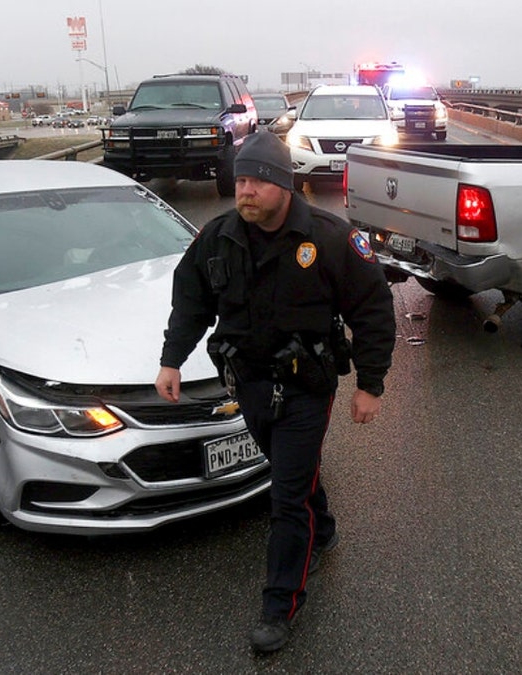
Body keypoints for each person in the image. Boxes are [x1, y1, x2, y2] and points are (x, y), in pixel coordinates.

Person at [154, 131, 396, 653]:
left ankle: (280, 604)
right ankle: (323, 525)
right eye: (241, 179)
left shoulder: (330, 238)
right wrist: (171, 359)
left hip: (307, 387)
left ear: (284, 186)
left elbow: (373, 309)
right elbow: (191, 301)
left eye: (258, 181)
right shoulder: (218, 237)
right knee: (295, 474)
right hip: (250, 384)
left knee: (285, 497)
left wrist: (370, 385)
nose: (246, 191)